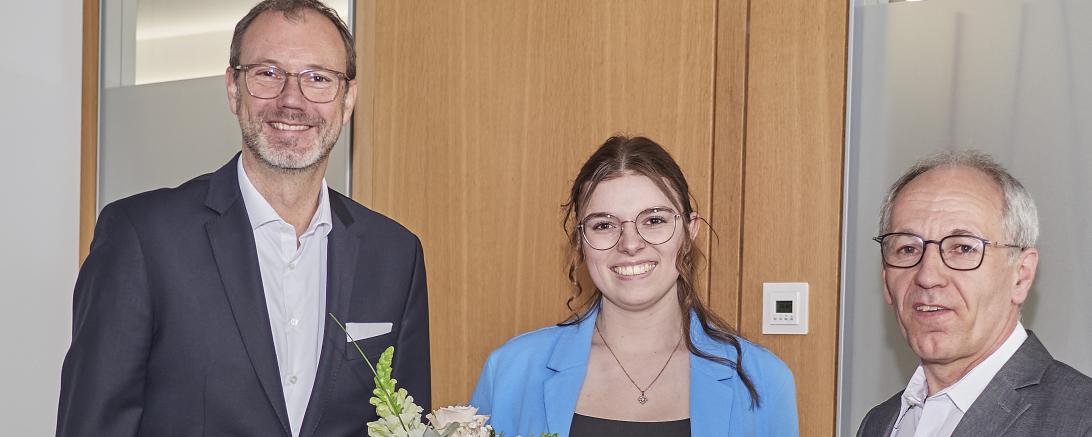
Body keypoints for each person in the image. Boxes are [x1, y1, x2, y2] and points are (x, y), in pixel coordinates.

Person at [56, 1, 431, 436]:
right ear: (234, 90)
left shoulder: (395, 256)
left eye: (318, 78)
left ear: (347, 100)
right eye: (267, 73)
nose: (292, 100)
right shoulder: (143, 238)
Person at [469, 136, 798, 437]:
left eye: (654, 220)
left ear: (689, 232)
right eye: (604, 225)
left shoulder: (762, 380)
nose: (629, 243)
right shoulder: (511, 371)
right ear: (580, 241)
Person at [856, 150, 1092, 436]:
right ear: (886, 279)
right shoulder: (878, 423)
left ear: (1021, 275)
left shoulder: (1080, 421)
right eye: (908, 249)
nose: (927, 276)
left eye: (963, 248)